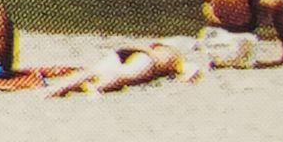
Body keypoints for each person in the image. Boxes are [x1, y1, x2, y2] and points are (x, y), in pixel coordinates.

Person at [45, 42, 198, 98]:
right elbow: (191, 72)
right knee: (124, 75)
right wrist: (182, 80)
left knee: (94, 70)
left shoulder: (160, 45)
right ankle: (96, 87)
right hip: (149, 60)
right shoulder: (177, 57)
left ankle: (57, 88)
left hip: (132, 50)